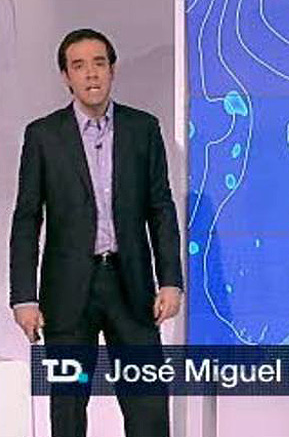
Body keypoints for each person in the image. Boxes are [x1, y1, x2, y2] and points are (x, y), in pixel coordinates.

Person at [9, 28, 183, 437]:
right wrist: (24, 298)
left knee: (148, 409)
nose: (91, 74)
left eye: (99, 63)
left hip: (131, 287)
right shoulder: (43, 136)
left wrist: (170, 281)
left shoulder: (143, 129)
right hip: (67, 293)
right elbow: (27, 219)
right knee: (68, 410)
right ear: (66, 76)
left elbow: (160, 209)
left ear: (112, 70)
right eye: (79, 66)